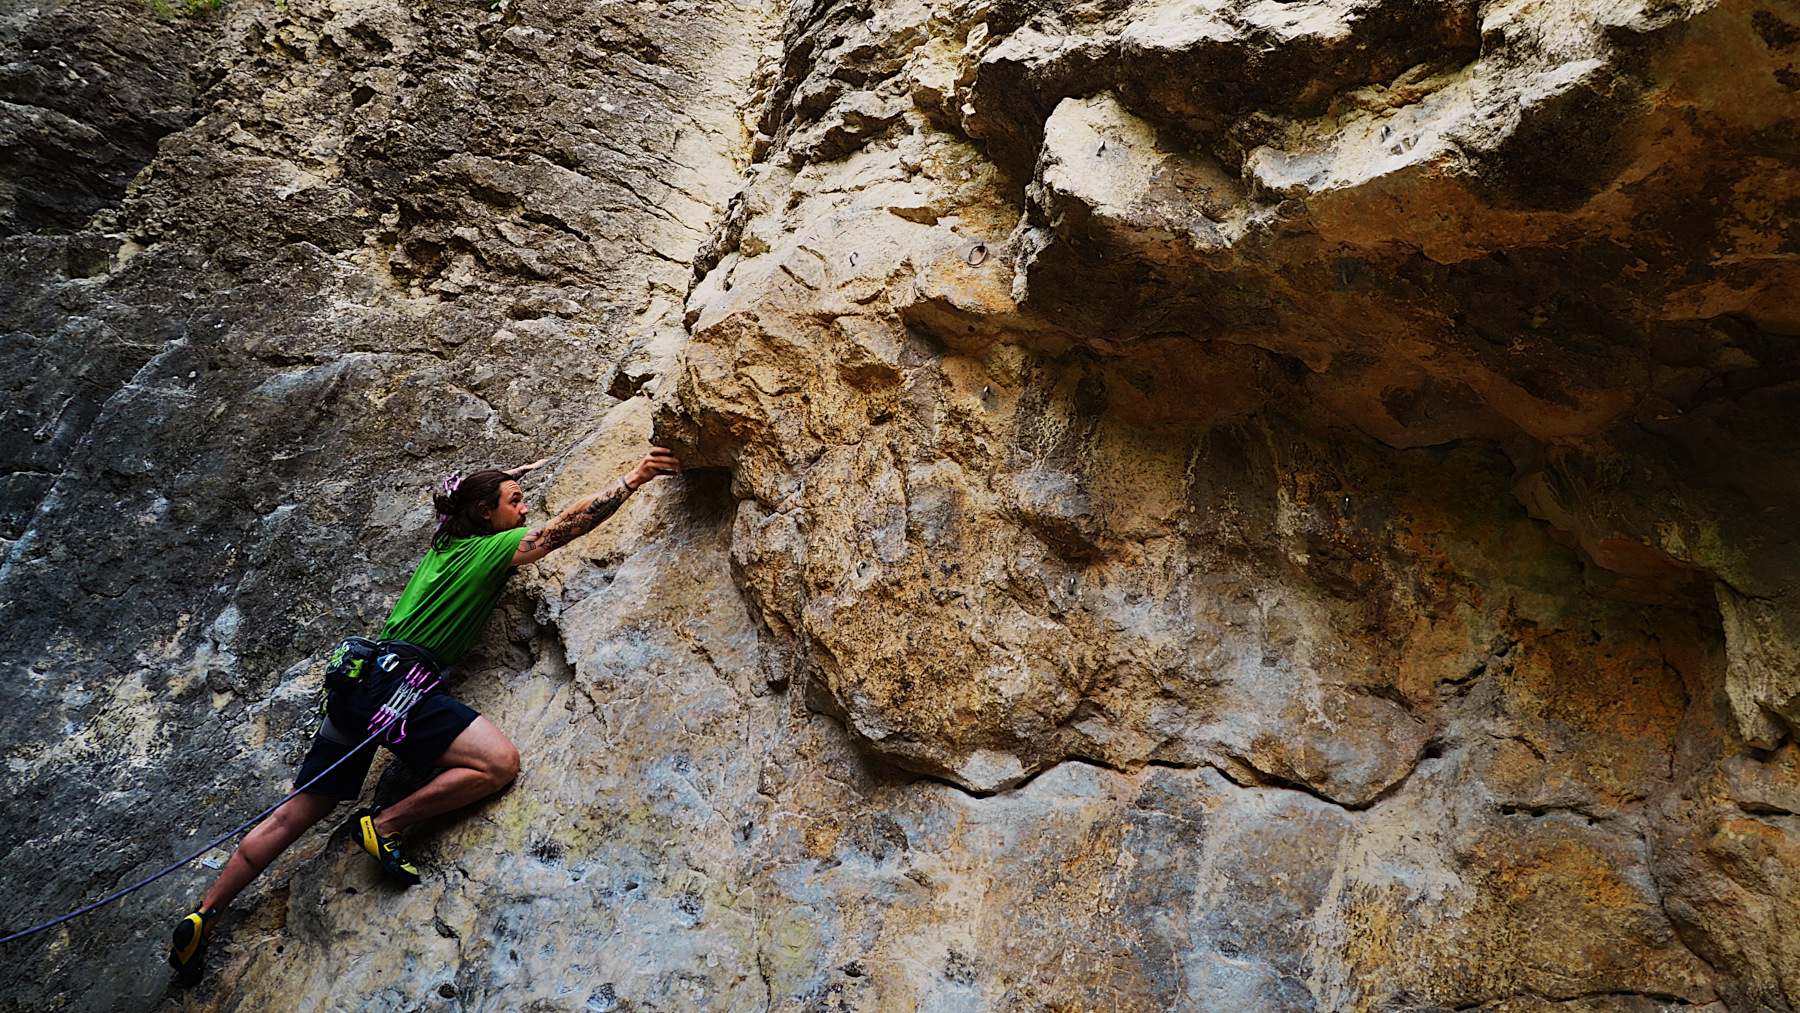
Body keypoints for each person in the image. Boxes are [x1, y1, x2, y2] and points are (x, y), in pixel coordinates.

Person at [168, 447, 682, 985]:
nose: (525, 510)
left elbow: (454, 496)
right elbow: (561, 530)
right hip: (401, 681)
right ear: (485, 514)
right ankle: (385, 825)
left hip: (358, 678)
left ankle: (205, 914)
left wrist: (509, 475)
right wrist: (633, 478)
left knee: (294, 814)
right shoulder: (488, 549)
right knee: (497, 763)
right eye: (516, 501)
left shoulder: (445, 543)